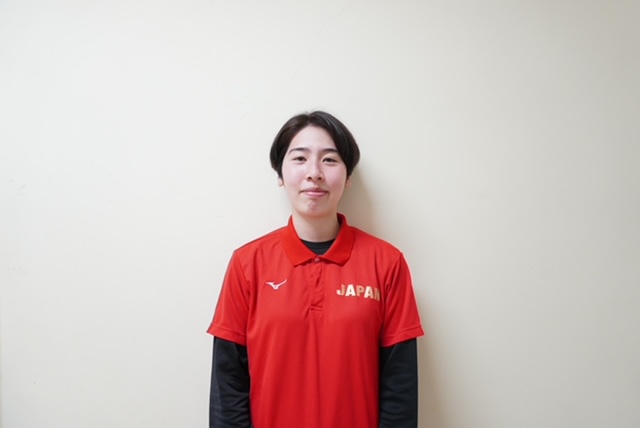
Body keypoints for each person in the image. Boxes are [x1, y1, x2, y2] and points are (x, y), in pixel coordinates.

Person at [207, 110, 424, 428]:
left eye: (330, 160)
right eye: (299, 158)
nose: (314, 173)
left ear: (348, 177)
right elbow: (228, 384)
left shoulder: (387, 263)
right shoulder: (247, 263)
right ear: (280, 175)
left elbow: (399, 386)